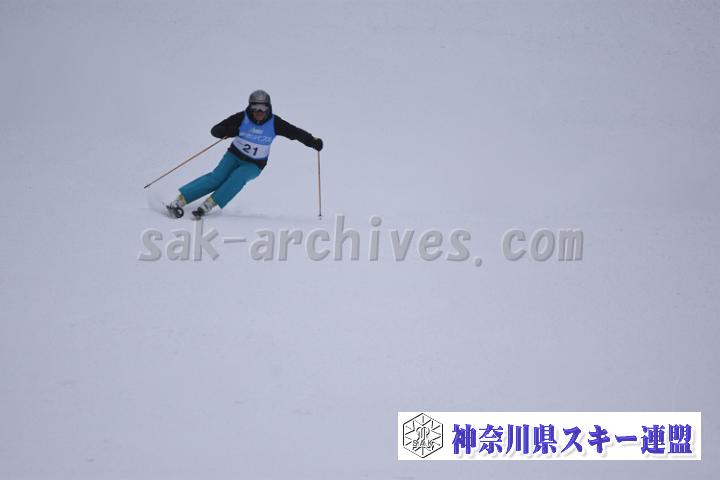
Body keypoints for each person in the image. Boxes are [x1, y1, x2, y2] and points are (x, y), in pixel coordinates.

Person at [166, 90, 323, 219]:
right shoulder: (242, 117)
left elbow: (295, 133)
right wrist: (228, 131)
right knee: (216, 178)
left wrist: (312, 141)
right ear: (250, 107)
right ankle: (181, 199)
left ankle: (209, 204)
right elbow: (215, 130)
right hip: (233, 156)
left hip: (254, 164)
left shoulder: (275, 123)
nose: (259, 112)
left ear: (268, 108)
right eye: (255, 108)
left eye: (263, 108)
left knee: (238, 178)